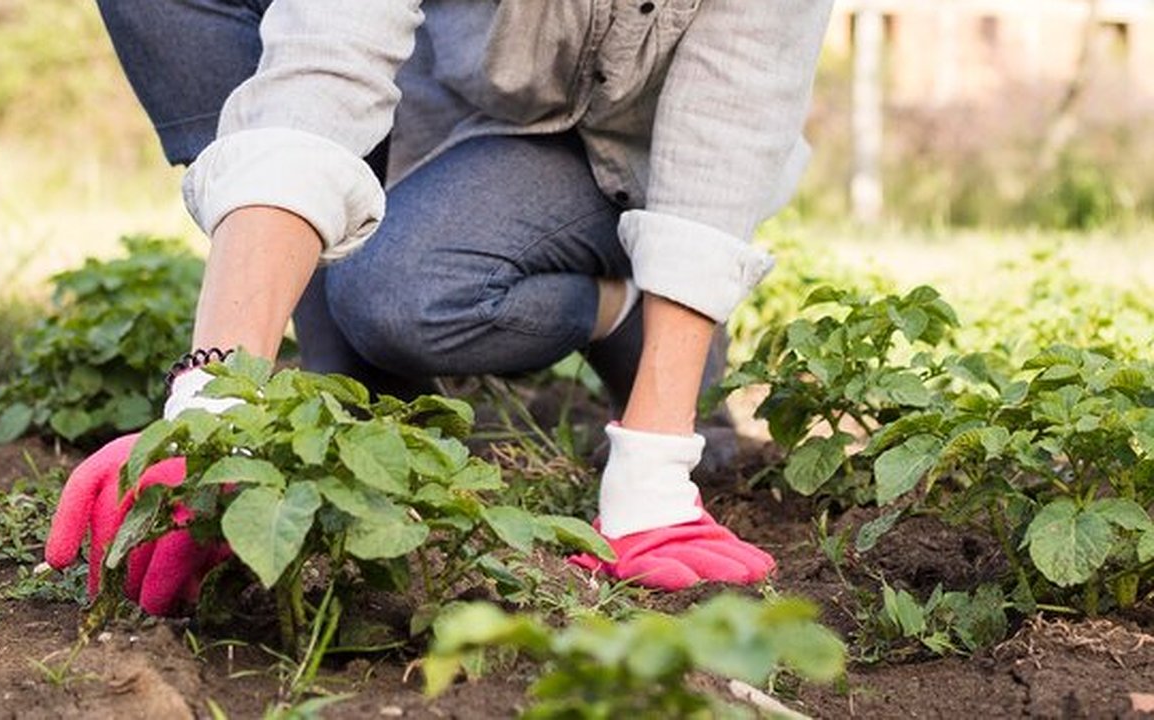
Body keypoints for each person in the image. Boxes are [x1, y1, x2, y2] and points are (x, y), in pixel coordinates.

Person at [45, 0, 834, 616]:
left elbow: (725, 130)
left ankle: (626, 310)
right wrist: (217, 398)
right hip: (463, 113)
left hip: (635, 155)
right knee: (368, 326)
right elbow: (329, 55)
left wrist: (654, 477)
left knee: (398, 299)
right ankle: (338, 387)